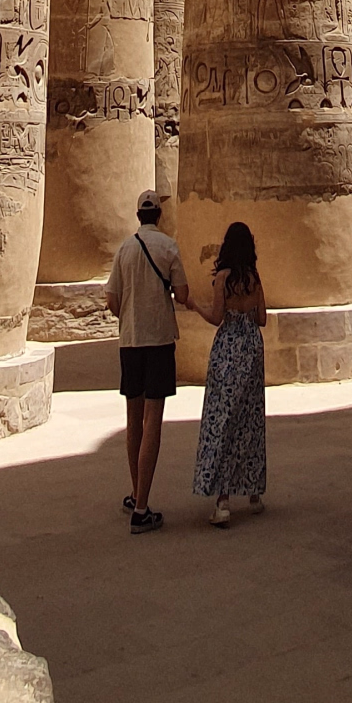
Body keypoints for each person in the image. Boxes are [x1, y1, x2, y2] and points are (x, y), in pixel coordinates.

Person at [105, 189, 195, 534]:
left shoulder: (125, 249)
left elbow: (112, 301)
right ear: (158, 215)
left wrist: (131, 310)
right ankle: (142, 508)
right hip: (158, 342)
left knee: (134, 420)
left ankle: (135, 492)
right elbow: (183, 294)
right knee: (153, 421)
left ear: (138, 216)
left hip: (130, 341)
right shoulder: (169, 247)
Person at [191, 222, 269, 528]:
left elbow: (216, 317)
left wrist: (193, 305)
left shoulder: (223, 279)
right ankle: (253, 493)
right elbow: (262, 318)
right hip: (252, 346)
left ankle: (222, 500)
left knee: (221, 420)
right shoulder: (253, 278)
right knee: (250, 420)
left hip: (228, 349)